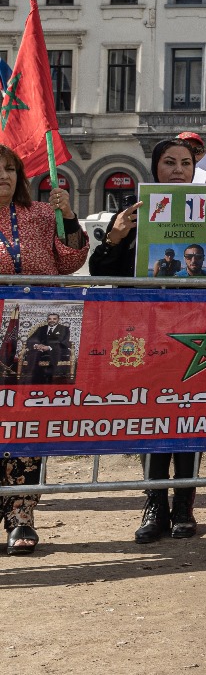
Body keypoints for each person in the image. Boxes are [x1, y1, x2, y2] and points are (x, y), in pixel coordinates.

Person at [90, 137, 206, 543]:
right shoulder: (134, 206)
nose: (178, 169)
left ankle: (184, 506)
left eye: (185, 162)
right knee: (153, 416)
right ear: (155, 167)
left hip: (198, 325)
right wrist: (116, 236)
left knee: (189, 415)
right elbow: (102, 268)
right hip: (145, 327)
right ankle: (153, 504)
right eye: (169, 162)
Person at [0, 144, 88, 556]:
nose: (3, 175)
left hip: (38, 339)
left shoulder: (39, 214)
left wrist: (67, 215)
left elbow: (71, 259)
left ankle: (21, 517)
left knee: (28, 425)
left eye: (9, 169)